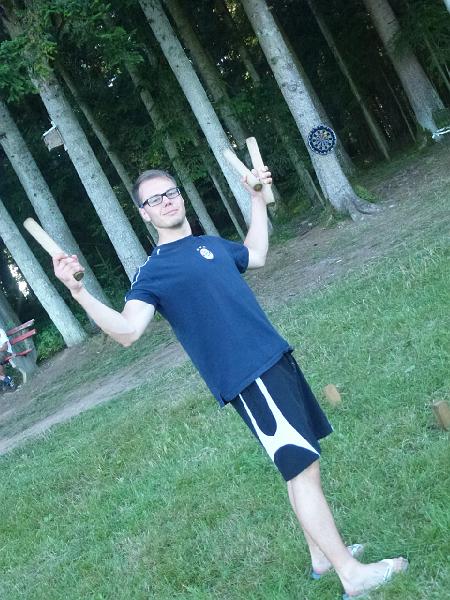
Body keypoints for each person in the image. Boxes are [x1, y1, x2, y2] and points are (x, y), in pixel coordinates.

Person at [53, 168, 408, 598]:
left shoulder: (208, 244)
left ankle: (321, 556)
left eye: (171, 193)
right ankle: (352, 575)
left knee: (298, 465)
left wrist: (256, 198)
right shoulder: (154, 271)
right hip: (249, 377)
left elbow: (255, 254)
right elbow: (127, 331)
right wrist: (78, 293)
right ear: (144, 214)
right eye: (154, 200)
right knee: (302, 468)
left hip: (275, 359)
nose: (166, 202)